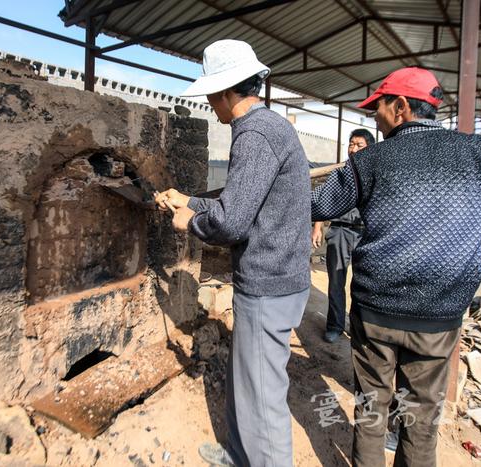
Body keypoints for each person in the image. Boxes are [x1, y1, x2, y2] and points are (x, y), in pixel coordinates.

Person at [310, 66, 481, 467]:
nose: (374, 118)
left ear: (401, 107)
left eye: (378, 109)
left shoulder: (371, 160)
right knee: (420, 422)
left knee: (371, 413)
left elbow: (316, 204)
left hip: (376, 313)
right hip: (437, 320)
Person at [155, 40, 311, 467]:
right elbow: (241, 200)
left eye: (211, 95)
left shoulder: (254, 136)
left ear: (225, 92)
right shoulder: (267, 128)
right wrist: (189, 198)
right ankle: (241, 456)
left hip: (268, 285)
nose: (209, 103)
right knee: (247, 383)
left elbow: (232, 222)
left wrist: (191, 221)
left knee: (263, 400)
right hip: (276, 280)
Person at [311, 128, 375, 343]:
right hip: (339, 231)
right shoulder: (339, 172)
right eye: (351, 144)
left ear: (370, 149)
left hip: (364, 233)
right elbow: (323, 201)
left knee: (363, 283)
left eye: (359, 145)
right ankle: (335, 326)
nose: (354, 148)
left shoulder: (375, 172)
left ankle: (359, 329)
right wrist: (317, 227)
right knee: (336, 281)